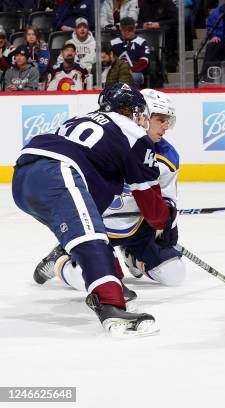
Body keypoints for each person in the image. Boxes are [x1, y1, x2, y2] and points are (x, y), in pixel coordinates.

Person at [12, 83, 172, 337]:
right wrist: (165, 221)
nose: (143, 120)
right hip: (57, 172)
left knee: (88, 229)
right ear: (132, 111)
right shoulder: (133, 133)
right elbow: (149, 201)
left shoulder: (83, 119)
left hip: (23, 179)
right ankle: (111, 307)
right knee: (91, 237)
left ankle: (104, 276)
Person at [34, 89, 185, 291]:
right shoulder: (105, 145)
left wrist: (169, 224)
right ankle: (60, 261)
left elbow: (167, 199)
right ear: (143, 116)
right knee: (95, 281)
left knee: (175, 274)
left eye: (169, 122)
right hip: (100, 229)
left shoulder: (168, 156)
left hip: (138, 229)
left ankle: (133, 255)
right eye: (160, 120)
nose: (165, 128)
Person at [138, 0, 179, 71]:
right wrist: (143, 25)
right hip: (148, 34)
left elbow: (175, 20)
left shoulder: (167, 3)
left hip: (166, 34)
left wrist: (159, 24)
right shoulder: (144, 4)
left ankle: (168, 65)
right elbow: (139, 22)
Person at [111, 17, 151, 88]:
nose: (127, 32)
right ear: (120, 29)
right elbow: (107, 59)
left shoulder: (141, 42)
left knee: (133, 77)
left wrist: (130, 70)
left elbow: (144, 61)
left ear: (134, 29)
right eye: (124, 29)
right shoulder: (113, 43)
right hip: (117, 72)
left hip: (134, 72)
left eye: (130, 29)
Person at [56, 17, 96, 86]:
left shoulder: (95, 44)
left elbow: (98, 63)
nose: (82, 29)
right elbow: (60, 61)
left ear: (88, 29)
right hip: (71, 75)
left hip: (91, 75)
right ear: (75, 29)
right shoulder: (69, 44)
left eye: (85, 27)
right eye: (79, 27)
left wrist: (91, 70)